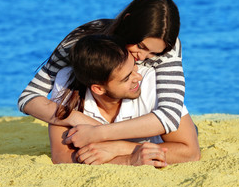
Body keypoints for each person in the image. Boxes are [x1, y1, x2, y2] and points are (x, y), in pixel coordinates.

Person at [18, 0, 185, 143]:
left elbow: (170, 115)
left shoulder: (169, 48)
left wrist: (101, 134)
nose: (142, 56)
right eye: (140, 46)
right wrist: (74, 117)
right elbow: (29, 97)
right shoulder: (80, 42)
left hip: (147, 132)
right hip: (91, 125)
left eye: (153, 53)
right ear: (128, 22)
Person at [49, 35, 200, 166]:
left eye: (135, 67)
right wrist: (129, 160)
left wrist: (120, 148)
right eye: (127, 77)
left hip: (170, 135)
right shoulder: (66, 83)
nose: (137, 77)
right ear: (98, 89)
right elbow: (60, 155)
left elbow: (191, 152)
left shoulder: (151, 82)